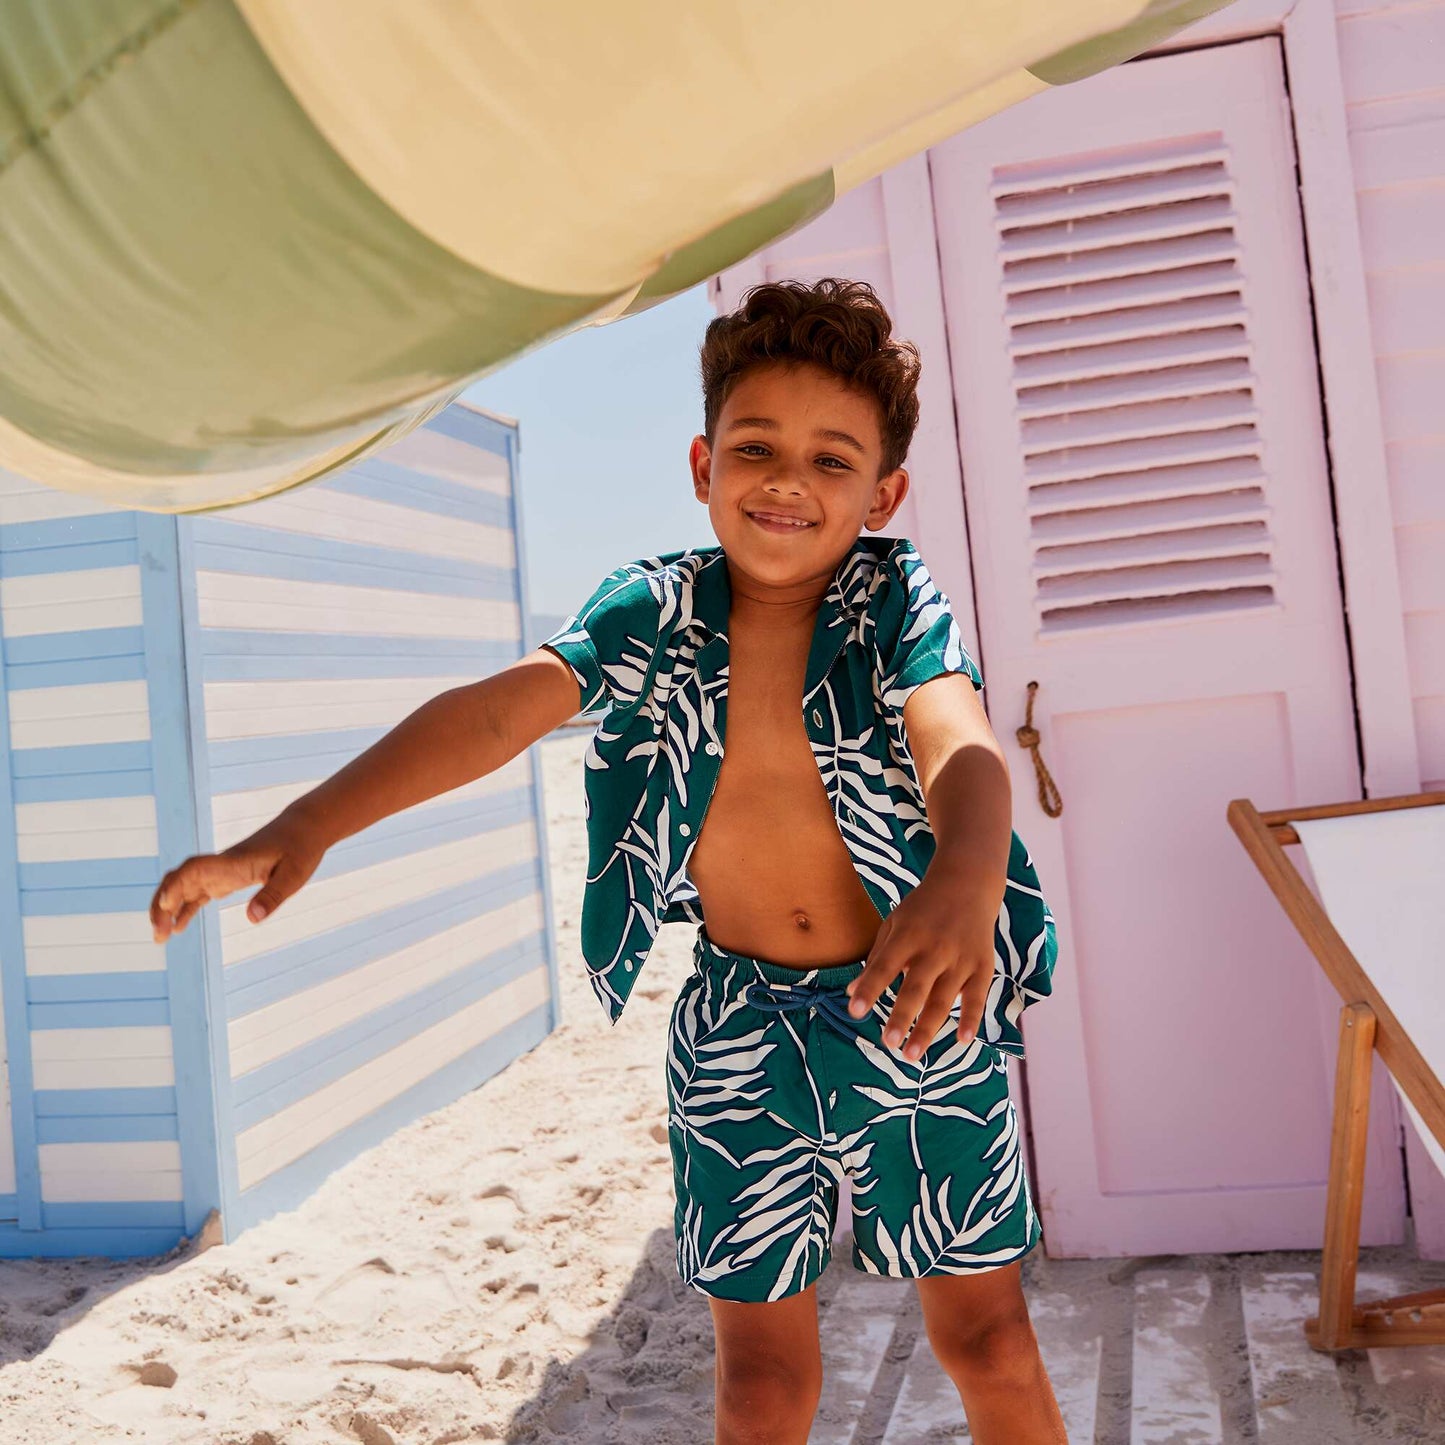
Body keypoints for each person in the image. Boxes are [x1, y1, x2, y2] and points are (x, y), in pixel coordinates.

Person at [149, 277, 1064, 1444]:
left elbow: (963, 747)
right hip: (737, 1025)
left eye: (831, 461)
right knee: (760, 1383)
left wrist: (961, 880)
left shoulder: (892, 601)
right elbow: (497, 715)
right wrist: (310, 821)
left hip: (916, 1003)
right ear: (701, 464)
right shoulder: (654, 609)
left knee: (983, 1339)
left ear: (882, 493)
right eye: (756, 446)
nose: (787, 479)